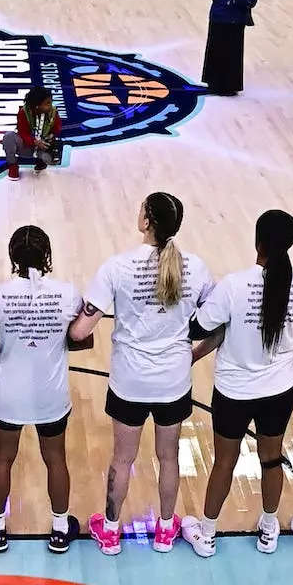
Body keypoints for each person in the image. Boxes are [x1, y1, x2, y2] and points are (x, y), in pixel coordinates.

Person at [71, 191, 211, 554]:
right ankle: (166, 530)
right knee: (169, 456)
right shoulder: (196, 267)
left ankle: (111, 531)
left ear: (147, 221)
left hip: (129, 381)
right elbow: (215, 324)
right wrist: (191, 355)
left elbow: (81, 331)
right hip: (174, 381)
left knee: (123, 458)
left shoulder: (117, 268)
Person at [185, 209, 293, 556]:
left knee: (224, 462)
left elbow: (198, 327)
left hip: (234, 392)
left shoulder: (234, 285)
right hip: (279, 390)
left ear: (257, 241)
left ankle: (208, 534)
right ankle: (269, 528)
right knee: (271, 459)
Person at [0, 226, 88, 553]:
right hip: (52, 396)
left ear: (12, 257)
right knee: (56, 460)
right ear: (47, 256)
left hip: (8, 396)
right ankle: (61, 528)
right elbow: (82, 338)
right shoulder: (68, 293)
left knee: (2, 459)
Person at [201, 0, 259, 96]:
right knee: (231, 55)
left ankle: (213, 82)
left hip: (215, 21)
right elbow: (249, 2)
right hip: (233, 25)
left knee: (214, 52)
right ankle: (227, 86)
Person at [7, 84, 61, 180]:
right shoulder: (24, 112)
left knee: (53, 147)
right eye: (47, 103)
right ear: (37, 105)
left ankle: (41, 163)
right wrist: (35, 141)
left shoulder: (53, 111)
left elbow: (57, 128)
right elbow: (22, 133)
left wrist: (51, 136)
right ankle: (13, 166)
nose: (50, 105)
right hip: (27, 146)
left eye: (50, 102)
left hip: (43, 146)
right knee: (8, 137)